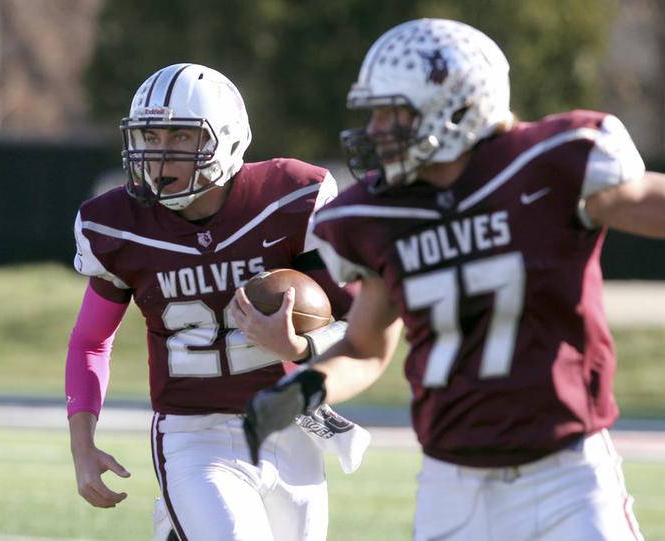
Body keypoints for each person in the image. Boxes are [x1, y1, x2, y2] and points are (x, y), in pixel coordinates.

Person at [243, 18, 665, 541]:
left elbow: (645, 202)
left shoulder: (547, 165)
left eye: (392, 112)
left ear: (462, 104)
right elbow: (365, 348)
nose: (376, 130)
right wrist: (305, 387)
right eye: (373, 114)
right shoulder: (376, 214)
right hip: (453, 485)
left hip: (567, 474)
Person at [65, 62, 368, 541]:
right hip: (194, 434)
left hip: (289, 428)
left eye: (181, 139)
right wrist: (82, 444)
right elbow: (90, 340)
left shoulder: (287, 198)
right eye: (150, 138)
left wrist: (299, 348)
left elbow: (356, 325)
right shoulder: (118, 223)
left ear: (226, 138)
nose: (160, 157)